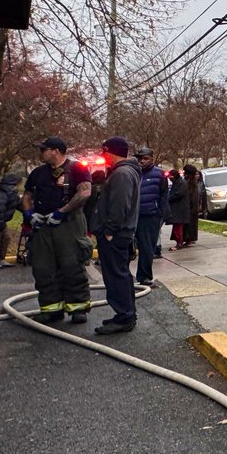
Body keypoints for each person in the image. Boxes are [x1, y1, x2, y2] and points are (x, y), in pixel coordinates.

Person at [23, 136, 93, 324]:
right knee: (43, 268)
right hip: (43, 225)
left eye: (43, 149)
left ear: (55, 151)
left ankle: (78, 308)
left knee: (72, 265)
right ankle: (51, 309)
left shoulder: (77, 169)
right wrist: (30, 214)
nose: (40, 153)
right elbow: (27, 195)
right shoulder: (37, 173)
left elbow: (85, 192)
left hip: (69, 224)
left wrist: (62, 212)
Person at [91, 136, 142, 335]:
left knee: (116, 276)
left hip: (116, 235)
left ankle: (124, 316)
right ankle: (126, 314)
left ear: (112, 152)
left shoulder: (122, 174)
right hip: (121, 233)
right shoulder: (127, 172)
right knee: (121, 275)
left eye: (105, 152)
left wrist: (110, 231)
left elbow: (120, 205)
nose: (103, 157)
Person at [134, 147, 168, 287]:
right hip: (133, 215)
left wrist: (160, 214)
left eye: (145, 158)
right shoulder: (134, 173)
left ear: (152, 159)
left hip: (150, 216)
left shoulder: (159, 174)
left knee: (147, 248)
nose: (142, 161)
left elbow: (164, 196)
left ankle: (145, 277)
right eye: (140, 158)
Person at [0, 172, 22, 268]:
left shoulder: (13, 195)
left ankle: (1, 259)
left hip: (1, 221)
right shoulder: (1, 195)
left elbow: (18, 205)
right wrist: (0, 225)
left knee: (6, 238)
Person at [165, 168, 189, 249]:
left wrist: (168, 199)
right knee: (176, 226)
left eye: (171, 178)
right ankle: (179, 241)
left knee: (178, 227)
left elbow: (178, 195)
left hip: (180, 209)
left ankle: (179, 242)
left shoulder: (182, 183)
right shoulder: (177, 183)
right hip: (177, 208)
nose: (170, 179)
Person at [180, 165, 202, 247]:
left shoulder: (191, 183)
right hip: (190, 207)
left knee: (189, 224)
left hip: (191, 207)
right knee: (189, 224)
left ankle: (189, 239)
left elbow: (192, 197)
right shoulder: (190, 182)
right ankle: (188, 239)